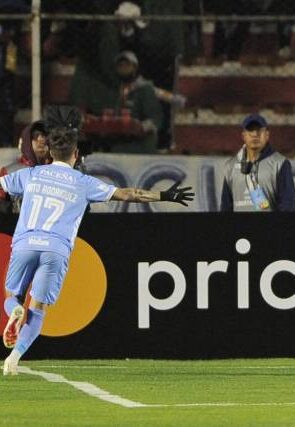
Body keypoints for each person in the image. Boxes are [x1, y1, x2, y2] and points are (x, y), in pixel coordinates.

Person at [1, 106, 193, 374]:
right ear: (75, 154)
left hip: (25, 243)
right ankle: (14, 358)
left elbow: (2, 184)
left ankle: (14, 311)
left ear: (50, 154)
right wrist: (163, 196)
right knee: (39, 308)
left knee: (11, 297)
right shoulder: (83, 182)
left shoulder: (30, 175)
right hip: (56, 249)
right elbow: (128, 194)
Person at [220, 114, 295, 212]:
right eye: (250, 130)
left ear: (267, 135)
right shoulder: (230, 166)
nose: (255, 134)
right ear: (243, 136)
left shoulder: (280, 163)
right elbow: (226, 205)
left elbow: (288, 204)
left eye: (259, 130)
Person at [113, 51, 163, 154]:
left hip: (141, 146)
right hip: (118, 144)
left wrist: (140, 127)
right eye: (120, 65)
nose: (123, 68)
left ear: (135, 68)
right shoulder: (114, 89)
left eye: (127, 65)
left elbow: (156, 118)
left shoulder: (145, 89)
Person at [0, 121, 52, 214]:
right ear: (27, 141)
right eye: (35, 136)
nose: (41, 139)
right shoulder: (9, 172)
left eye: (45, 135)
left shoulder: (58, 170)